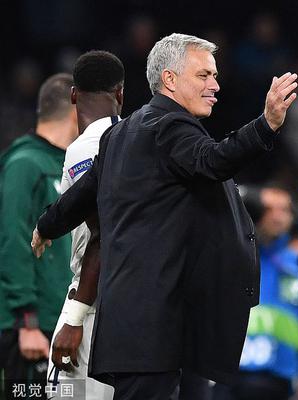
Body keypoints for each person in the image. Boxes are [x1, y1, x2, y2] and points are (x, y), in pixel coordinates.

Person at [31, 33, 298, 400]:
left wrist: (47, 225)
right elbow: (214, 160)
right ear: (169, 79)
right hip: (155, 329)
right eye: (204, 75)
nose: (215, 85)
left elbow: (82, 194)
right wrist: (266, 124)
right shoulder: (169, 126)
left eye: (214, 75)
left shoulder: (121, 132)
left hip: (145, 329)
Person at [45, 50, 125, 400]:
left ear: (74, 95)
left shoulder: (88, 146)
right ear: (120, 93)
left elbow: (102, 232)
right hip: (127, 301)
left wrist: (76, 317)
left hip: (92, 304)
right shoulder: (133, 141)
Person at [0, 73, 78, 399]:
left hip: (62, 323)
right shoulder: (24, 164)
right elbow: (12, 242)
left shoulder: (72, 165)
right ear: (76, 108)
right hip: (34, 327)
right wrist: (27, 322)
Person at [213, 185, 298, 400]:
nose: (277, 216)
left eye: (284, 210)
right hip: (230, 372)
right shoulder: (233, 258)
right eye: (268, 209)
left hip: (279, 377)